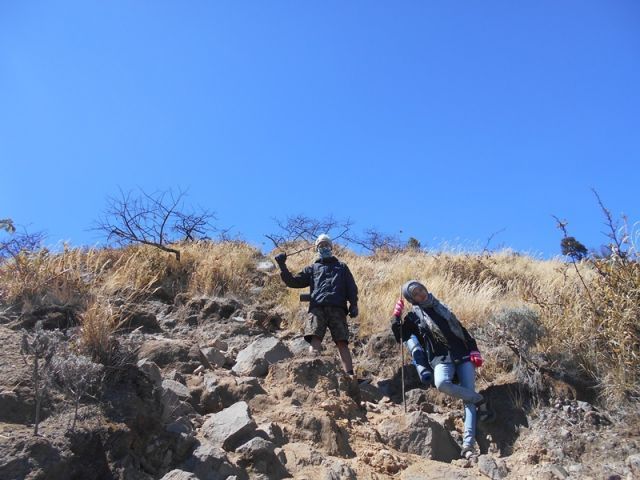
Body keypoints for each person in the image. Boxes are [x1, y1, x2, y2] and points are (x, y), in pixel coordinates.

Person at [390, 280, 494, 458]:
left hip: (462, 354)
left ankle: (468, 445)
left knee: (467, 400)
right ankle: (480, 399)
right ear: (411, 299)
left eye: (421, 289)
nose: (421, 294)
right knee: (441, 383)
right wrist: (396, 317)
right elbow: (402, 335)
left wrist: (473, 348)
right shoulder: (413, 317)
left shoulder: (441, 307)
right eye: (415, 293)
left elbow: (460, 329)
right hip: (441, 359)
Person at [274, 234, 359, 377]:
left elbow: (351, 287)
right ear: (316, 249)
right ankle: (312, 373)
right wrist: (282, 266)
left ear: (331, 247)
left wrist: (354, 304)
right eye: (320, 246)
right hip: (317, 309)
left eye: (326, 245)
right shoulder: (312, 268)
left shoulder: (342, 267)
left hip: (338, 309)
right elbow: (294, 282)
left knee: (341, 341)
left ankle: (350, 376)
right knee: (315, 338)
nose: (324, 248)